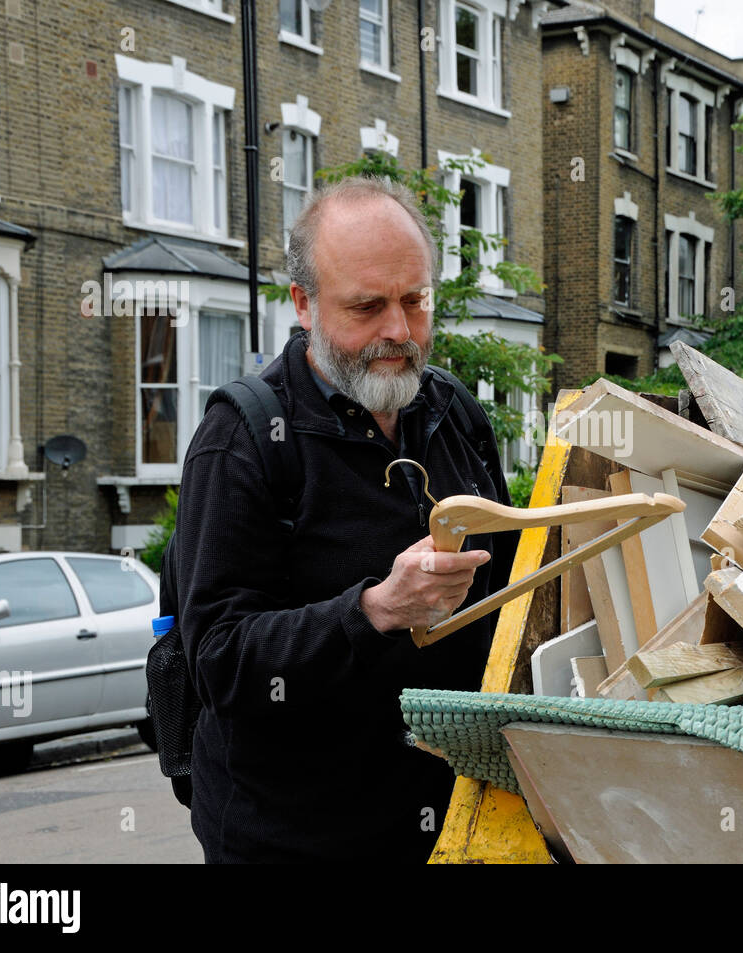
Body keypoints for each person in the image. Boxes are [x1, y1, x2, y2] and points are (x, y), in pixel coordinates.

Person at [172, 176, 516, 863]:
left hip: (452, 822)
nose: (398, 330)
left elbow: (512, 586)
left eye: (415, 301)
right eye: (366, 306)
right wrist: (375, 610)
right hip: (295, 840)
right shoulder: (242, 438)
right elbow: (217, 659)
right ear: (303, 303)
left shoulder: (451, 410)